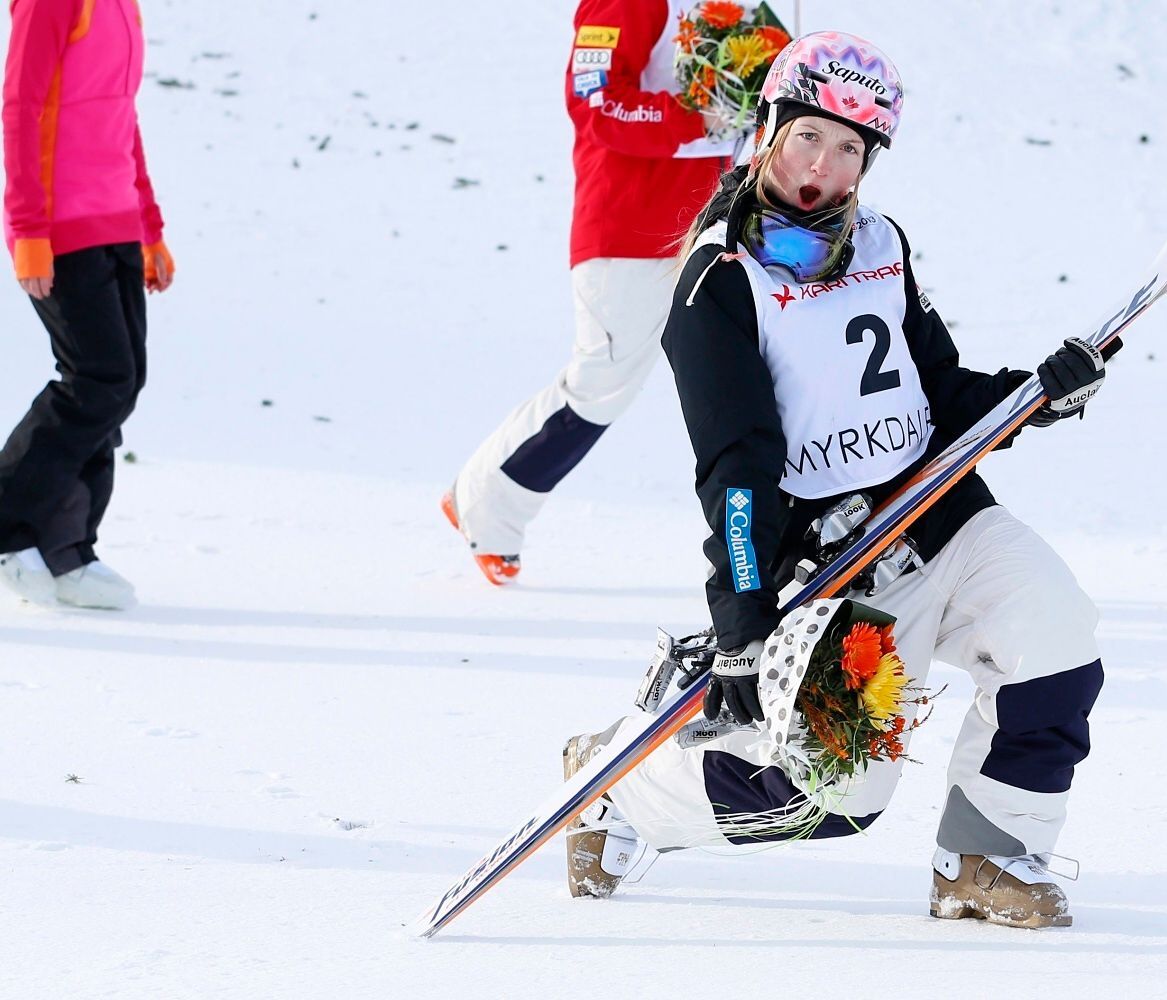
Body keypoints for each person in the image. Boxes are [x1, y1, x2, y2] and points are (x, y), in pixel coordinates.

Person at [562, 31, 1119, 928]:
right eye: (808, 137)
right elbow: (736, 471)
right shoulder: (718, 283)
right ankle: (620, 784)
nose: (823, 167)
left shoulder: (881, 243)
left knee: (1058, 638)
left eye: (850, 148)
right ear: (768, 130)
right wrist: (741, 619)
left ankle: (984, 858)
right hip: (837, 563)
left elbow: (937, 389)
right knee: (825, 799)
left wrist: (1035, 395)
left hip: (940, 513)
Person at [441, 0, 746, 585]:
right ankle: (486, 502)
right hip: (629, 232)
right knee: (602, 382)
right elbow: (594, 100)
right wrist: (700, 120)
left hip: (705, 227)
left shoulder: (728, 6)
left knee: (747, 373)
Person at [0, 0, 174, 611]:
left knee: (120, 385)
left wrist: (148, 227)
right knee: (97, 380)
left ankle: (66, 549)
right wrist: (28, 228)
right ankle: (9, 525)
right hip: (60, 224)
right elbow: (19, 106)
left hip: (116, 220)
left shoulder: (122, 6)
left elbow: (121, 117)